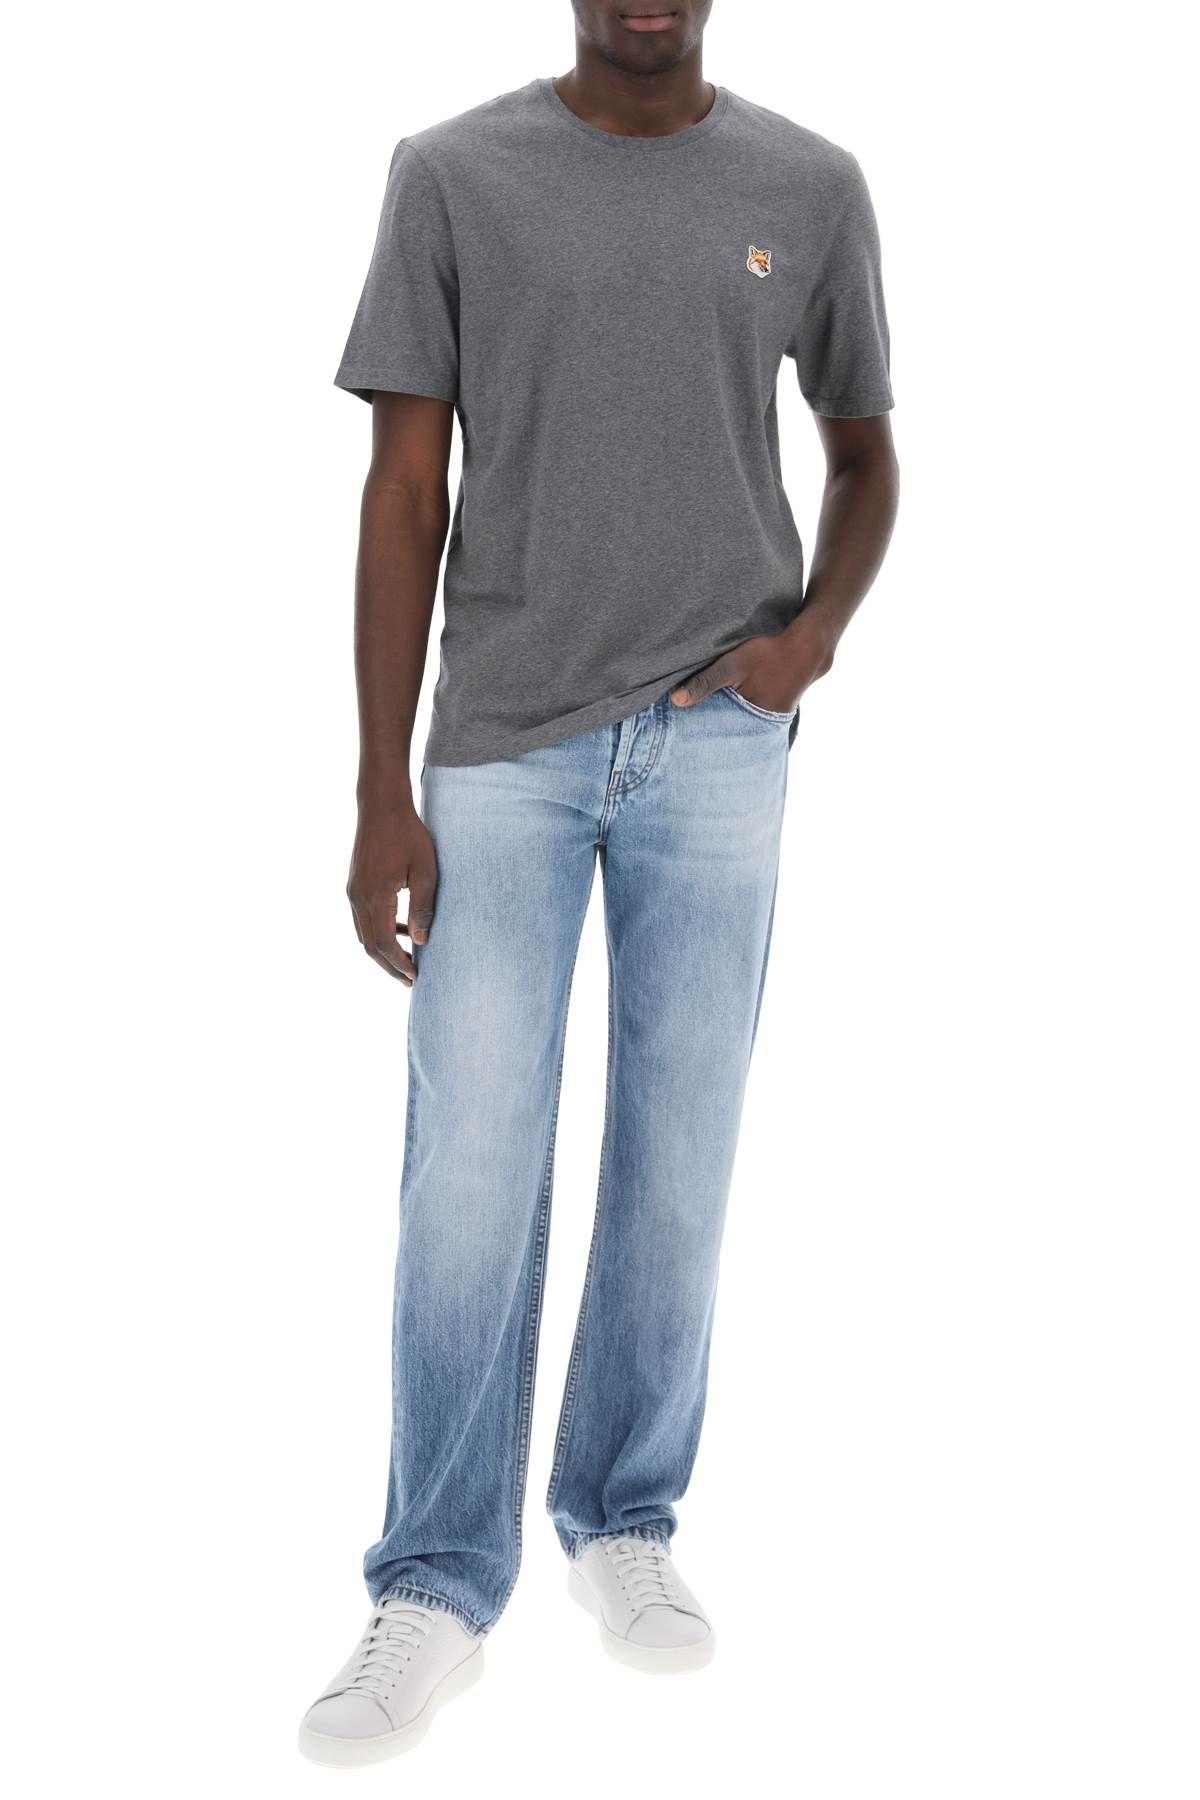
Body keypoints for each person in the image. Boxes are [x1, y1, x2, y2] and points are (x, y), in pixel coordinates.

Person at [300, 0, 898, 1766]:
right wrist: (379, 786)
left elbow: (866, 453)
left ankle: (624, 1518)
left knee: (679, 1153)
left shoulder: (812, 184)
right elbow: (403, 488)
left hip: (720, 746)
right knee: (470, 1170)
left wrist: (808, 645)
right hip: (504, 748)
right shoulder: (452, 176)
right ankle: (434, 1582)